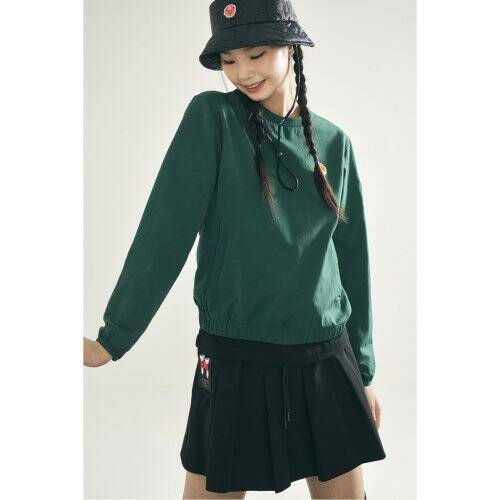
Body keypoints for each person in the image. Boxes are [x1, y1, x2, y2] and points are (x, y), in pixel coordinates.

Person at [84, 0, 387, 498]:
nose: (242, 72)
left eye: (256, 54)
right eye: (229, 60)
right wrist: (114, 337)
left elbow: (353, 261)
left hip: (326, 358)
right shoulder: (213, 119)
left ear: (291, 48)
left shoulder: (335, 143)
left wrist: (365, 371)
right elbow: (164, 229)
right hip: (236, 356)